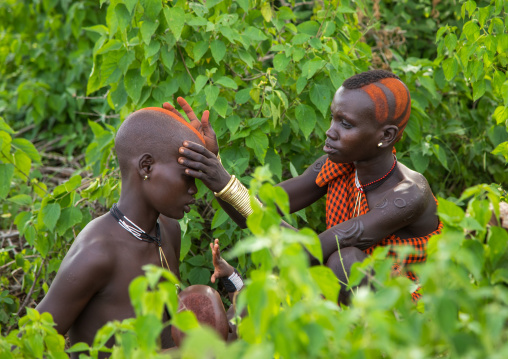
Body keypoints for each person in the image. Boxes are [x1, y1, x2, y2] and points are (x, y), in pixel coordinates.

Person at [177, 70, 442, 302]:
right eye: (333, 118)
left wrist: (224, 180)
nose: (330, 131)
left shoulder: (409, 193)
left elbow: (309, 253)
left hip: (409, 315)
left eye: (345, 124)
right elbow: (252, 213)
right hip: (351, 301)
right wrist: (213, 166)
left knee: (344, 260)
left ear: (386, 136)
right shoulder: (338, 166)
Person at [35, 99, 212, 356]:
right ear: (146, 166)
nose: (195, 190)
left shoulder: (167, 230)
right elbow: (27, 342)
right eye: (187, 177)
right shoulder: (97, 253)